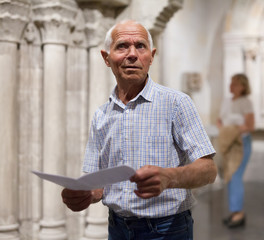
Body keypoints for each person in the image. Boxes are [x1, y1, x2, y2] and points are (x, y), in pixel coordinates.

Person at [61, 20, 217, 240]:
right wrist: (85, 193)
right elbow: (98, 182)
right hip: (117, 228)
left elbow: (209, 170)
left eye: (140, 46)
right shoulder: (101, 115)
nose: (132, 54)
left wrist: (170, 177)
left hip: (167, 229)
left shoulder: (176, 103)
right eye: (122, 45)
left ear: (151, 56)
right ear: (106, 58)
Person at [217, 73, 255, 228]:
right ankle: (235, 212)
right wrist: (224, 131)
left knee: (236, 176)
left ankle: (238, 214)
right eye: (230, 82)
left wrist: (232, 130)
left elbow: (250, 126)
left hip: (241, 143)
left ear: (243, 87)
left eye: (235, 84)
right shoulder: (226, 101)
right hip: (228, 143)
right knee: (230, 176)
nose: (231, 86)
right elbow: (220, 120)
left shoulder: (246, 102)